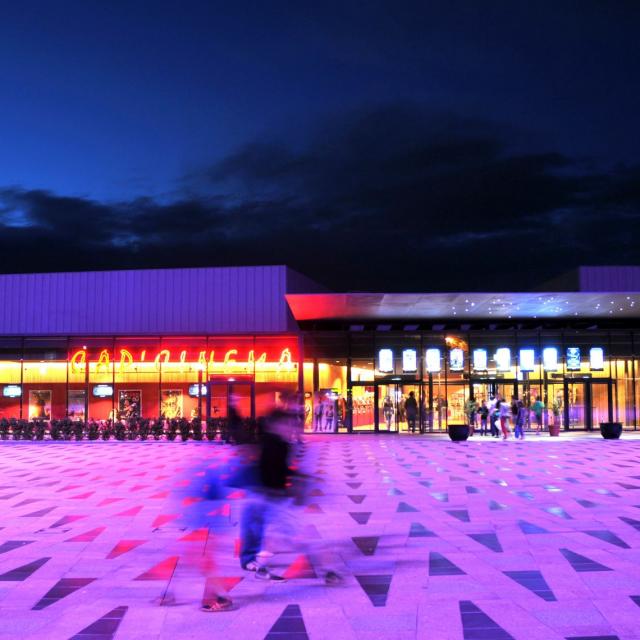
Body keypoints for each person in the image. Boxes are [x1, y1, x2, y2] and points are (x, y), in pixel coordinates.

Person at [239, 403, 341, 585]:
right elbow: (272, 472)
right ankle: (328, 571)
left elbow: (279, 470)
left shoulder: (276, 443)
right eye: (288, 425)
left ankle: (260, 566)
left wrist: (298, 477)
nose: (291, 430)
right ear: (278, 425)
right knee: (299, 534)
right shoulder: (275, 444)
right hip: (272, 498)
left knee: (281, 536)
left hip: (272, 497)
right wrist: (292, 486)